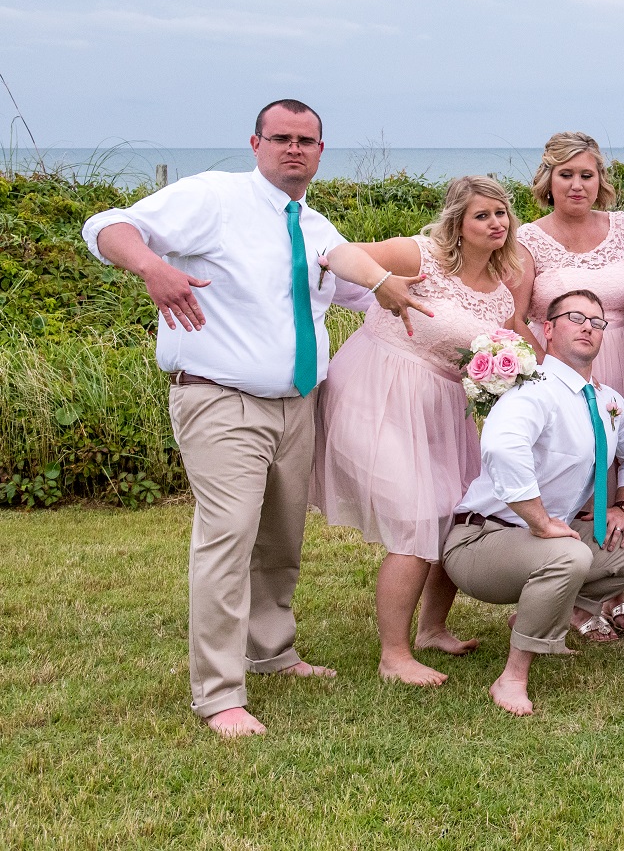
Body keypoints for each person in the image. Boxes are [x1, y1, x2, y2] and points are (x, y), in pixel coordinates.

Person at [81, 98, 423, 737]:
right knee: (227, 538)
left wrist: (445, 267)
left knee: (280, 540)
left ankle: (271, 651)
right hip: (221, 400)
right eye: (281, 138)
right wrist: (153, 267)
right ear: (255, 143)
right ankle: (218, 695)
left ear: (321, 151)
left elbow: (353, 290)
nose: (294, 149)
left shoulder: (315, 227)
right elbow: (107, 225)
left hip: (297, 404)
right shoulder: (214, 198)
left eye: (306, 141)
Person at [312, 175, 522, 686]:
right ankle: (394, 655)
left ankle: (432, 629)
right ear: (458, 223)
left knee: (452, 513)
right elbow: (337, 254)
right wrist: (381, 283)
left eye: (501, 213)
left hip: (442, 411)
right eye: (482, 215)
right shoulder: (420, 255)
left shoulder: (500, 295)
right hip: (378, 390)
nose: (495, 223)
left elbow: (518, 353)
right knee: (414, 518)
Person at [442, 289, 624, 716]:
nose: (587, 327)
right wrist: (541, 522)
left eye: (597, 322)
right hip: (482, 540)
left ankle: (543, 613)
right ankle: (512, 677)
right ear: (548, 329)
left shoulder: (608, 401)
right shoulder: (533, 389)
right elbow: (503, 448)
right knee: (568, 554)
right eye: (575, 317)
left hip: (544, 542)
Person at [512, 132, 624, 634]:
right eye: (566, 174)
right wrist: (546, 375)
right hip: (558, 368)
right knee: (571, 476)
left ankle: (614, 595)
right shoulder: (527, 239)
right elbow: (514, 315)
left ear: (600, 180)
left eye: (586, 174)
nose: (576, 184)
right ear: (548, 180)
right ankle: (570, 595)